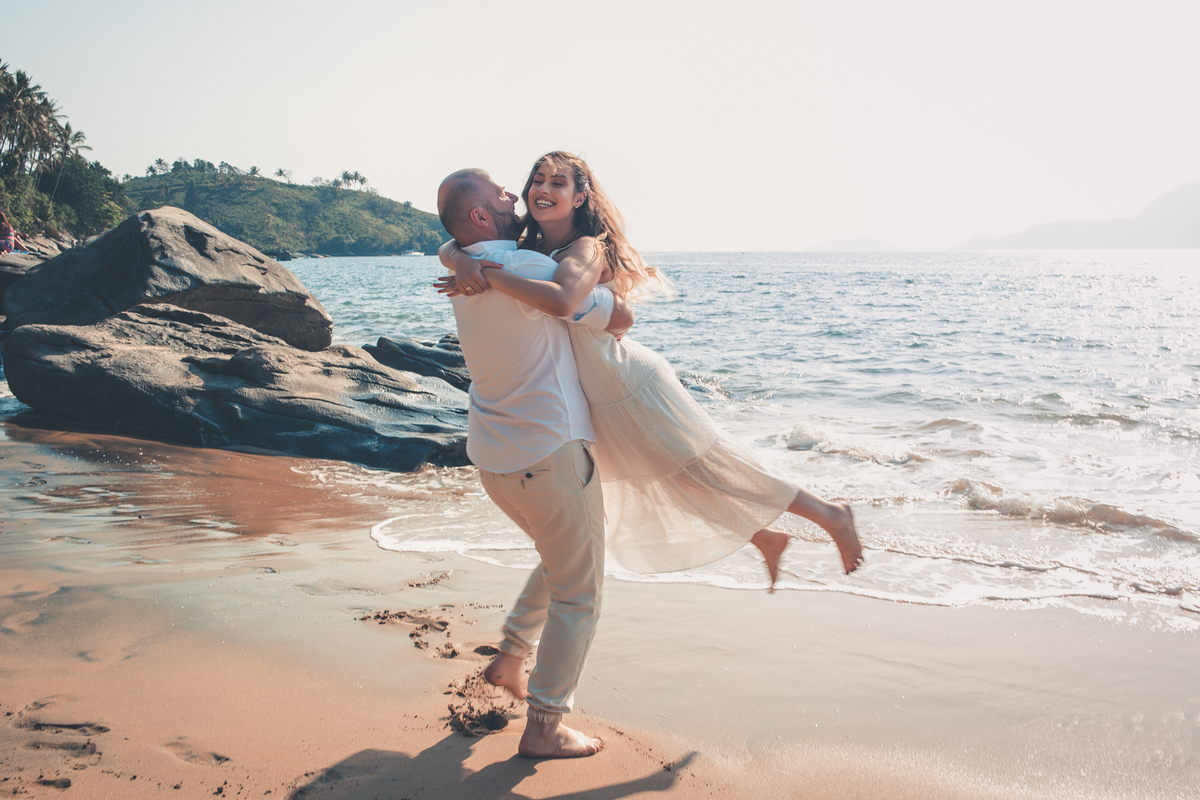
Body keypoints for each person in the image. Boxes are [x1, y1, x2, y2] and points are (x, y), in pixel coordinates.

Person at [438, 152, 863, 587]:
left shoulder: (586, 248)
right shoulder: (529, 246)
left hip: (624, 379)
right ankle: (764, 538)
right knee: (661, 477)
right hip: (590, 389)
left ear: (580, 197)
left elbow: (564, 299)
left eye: (558, 183)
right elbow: (455, 242)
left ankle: (829, 514)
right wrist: (462, 260)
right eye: (538, 180)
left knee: (705, 467)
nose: (543, 189)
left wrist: (485, 275)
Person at [435, 168, 633, 759]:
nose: (513, 195)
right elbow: (621, 318)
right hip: (550, 456)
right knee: (579, 595)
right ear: (480, 216)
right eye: (501, 192)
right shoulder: (530, 269)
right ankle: (545, 726)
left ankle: (511, 656)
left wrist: (458, 257)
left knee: (561, 561)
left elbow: (451, 247)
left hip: (494, 462)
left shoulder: (466, 267)